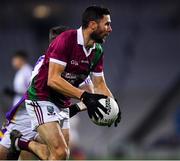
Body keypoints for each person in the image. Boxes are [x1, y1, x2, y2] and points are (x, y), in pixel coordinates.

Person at [9, 6, 121, 160]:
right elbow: (53, 79)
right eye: (107, 24)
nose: (110, 29)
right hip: (41, 98)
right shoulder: (66, 39)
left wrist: (113, 104)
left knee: (59, 155)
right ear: (93, 25)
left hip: (62, 104)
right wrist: (85, 97)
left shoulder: (97, 50)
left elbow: (99, 84)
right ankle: (24, 144)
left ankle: (21, 143)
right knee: (60, 152)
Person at [0, 26, 93, 160]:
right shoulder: (44, 62)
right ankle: (21, 143)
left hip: (58, 110)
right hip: (28, 113)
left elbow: (89, 91)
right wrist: (79, 103)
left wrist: (100, 101)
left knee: (60, 154)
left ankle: (22, 143)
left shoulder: (77, 64)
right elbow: (37, 95)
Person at [0, 50, 33, 160]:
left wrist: (14, 93)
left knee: (7, 138)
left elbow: (30, 91)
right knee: (19, 141)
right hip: (18, 112)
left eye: (15, 59)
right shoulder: (20, 72)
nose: (13, 62)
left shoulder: (27, 71)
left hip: (23, 114)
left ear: (21, 59)